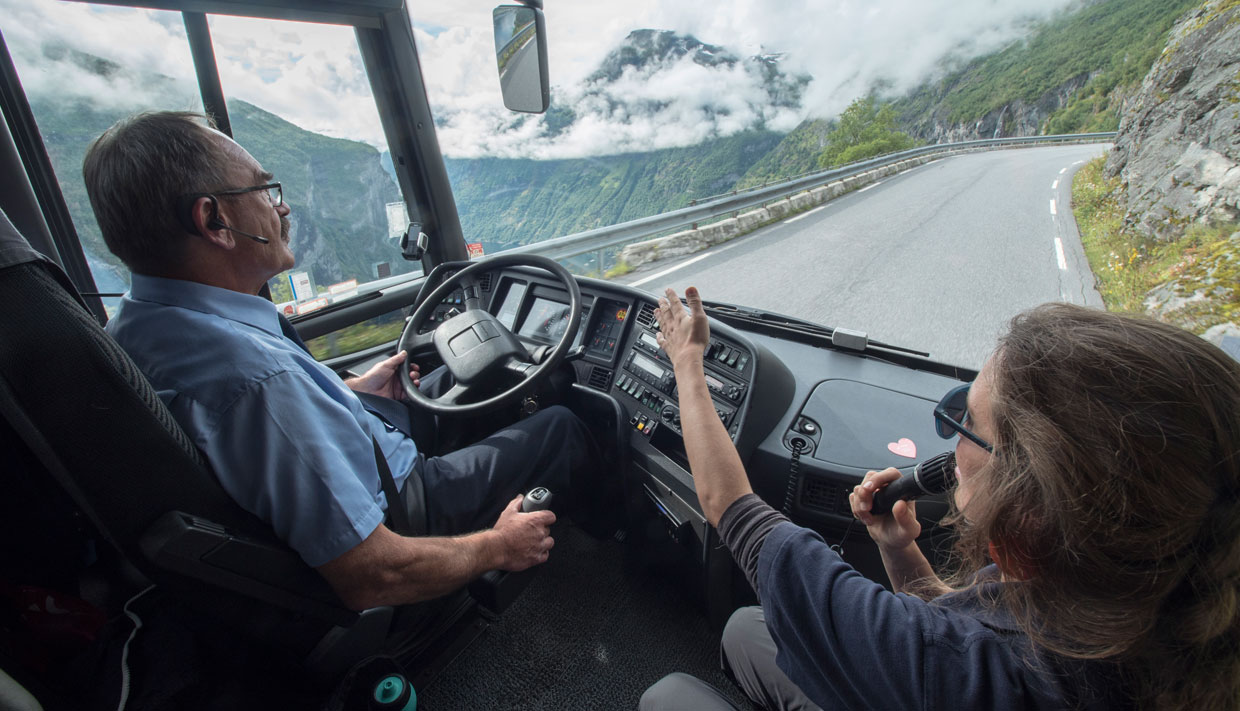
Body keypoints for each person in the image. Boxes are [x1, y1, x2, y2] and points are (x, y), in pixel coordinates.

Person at [84, 111, 597, 610]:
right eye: (264, 192)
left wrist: (349, 394)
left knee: (449, 377)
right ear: (214, 220)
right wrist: (498, 544)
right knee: (559, 424)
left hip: (364, 451)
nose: (281, 209)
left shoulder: (138, 324)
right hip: (403, 507)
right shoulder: (257, 383)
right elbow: (372, 573)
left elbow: (266, 431)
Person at [641, 286, 1240, 710]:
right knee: (748, 629)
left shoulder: (958, 669)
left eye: (968, 423)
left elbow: (727, 505)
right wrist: (900, 553)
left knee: (666, 695)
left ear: (1031, 505)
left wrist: (688, 361)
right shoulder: (1128, 605)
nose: (950, 436)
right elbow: (960, 620)